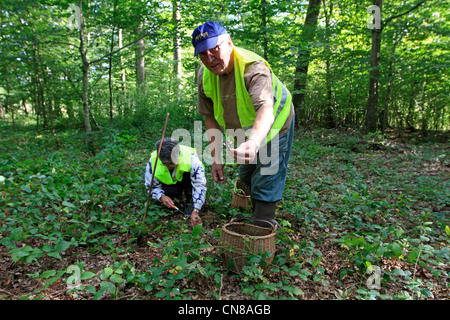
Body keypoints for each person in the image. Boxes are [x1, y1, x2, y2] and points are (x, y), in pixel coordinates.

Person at [192, 21, 295, 227]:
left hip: (274, 126)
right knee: (247, 172)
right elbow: (210, 117)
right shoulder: (204, 76)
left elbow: (265, 109)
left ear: (229, 44)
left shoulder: (253, 69)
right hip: (243, 130)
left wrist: (255, 142)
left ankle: (262, 224)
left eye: (215, 49)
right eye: (203, 54)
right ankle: (250, 206)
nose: (210, 58)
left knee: (266, 173)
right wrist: (216, 158)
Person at [145, 138, 206, 227]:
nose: (169, 166)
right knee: (172, 193)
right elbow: (150, 185)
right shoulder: (153, 160)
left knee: (189, 182)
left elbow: (199, 184)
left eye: (172, 163)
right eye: (165, 164)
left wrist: (196, 210)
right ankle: (173, 198)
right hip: (169, 184)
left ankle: (190, 202)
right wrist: (161, 197)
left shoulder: (192, 159)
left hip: (186, 181)